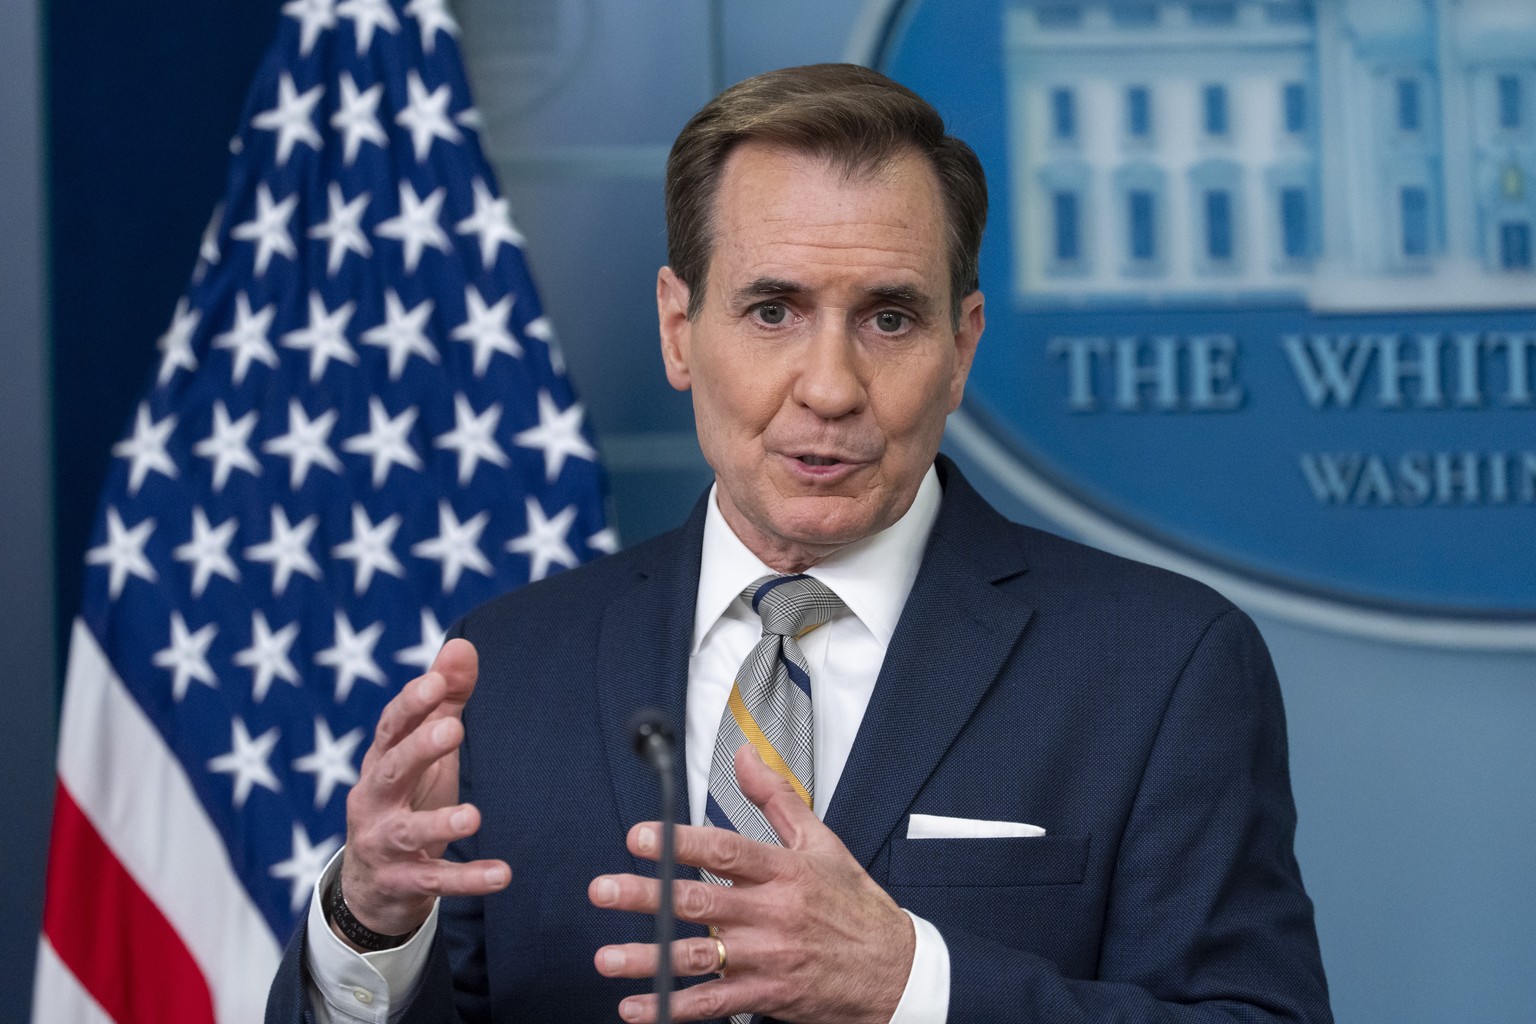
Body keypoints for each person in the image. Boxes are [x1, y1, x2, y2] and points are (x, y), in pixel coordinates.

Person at [268, 63, 1332, 1024]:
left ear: (961, 349)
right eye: (773, 310)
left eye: (889, 318)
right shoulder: (511, 665)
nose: (829, 387)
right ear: (680, 331)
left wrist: (910, 980)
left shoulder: (1164, 665)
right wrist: (367, 925)